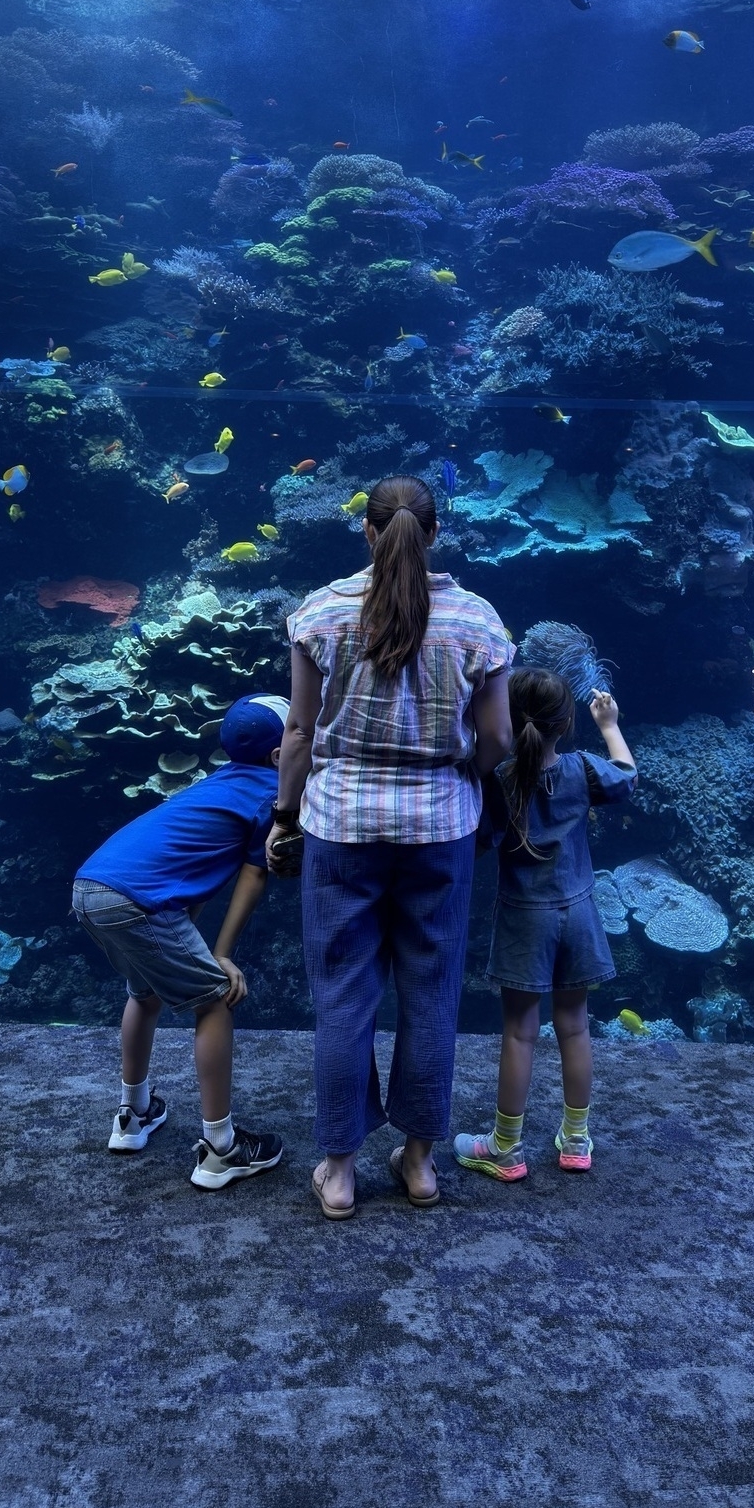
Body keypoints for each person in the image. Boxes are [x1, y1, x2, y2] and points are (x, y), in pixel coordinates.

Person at [267, 474, 513, 1220]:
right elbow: (499, 738)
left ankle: (338, 1172)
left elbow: (301, 733)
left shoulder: (321, 615)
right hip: (440, 830)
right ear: (433, 535)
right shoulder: (476, 620)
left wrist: (284, 816)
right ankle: (419, 1165)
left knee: (343, 997)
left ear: (368, 534)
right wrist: (462, 776)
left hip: (340, 826)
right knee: (431, 993)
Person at [71, 694, 288, 1190]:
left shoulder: (214, 784)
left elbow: (185, 875)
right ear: (280, 756)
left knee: (144, 992)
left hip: (92, 887)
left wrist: (197, 943)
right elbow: (253, 877)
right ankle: (222, 1149)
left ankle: (134, 1115)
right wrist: (222, 955)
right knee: (215, 1001)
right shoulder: (270, 794)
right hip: (136, 901)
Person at [454, 669, 635, 1182]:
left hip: (523, 917)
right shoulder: (582, 769)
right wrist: (610, 724)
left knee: (519, 1032)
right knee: (575, 1026)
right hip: (578, 912)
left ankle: (505, 1147)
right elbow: (626, 774)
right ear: (566, 721)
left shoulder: (498, 783)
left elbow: (478, 841)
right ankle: (576, 1140)